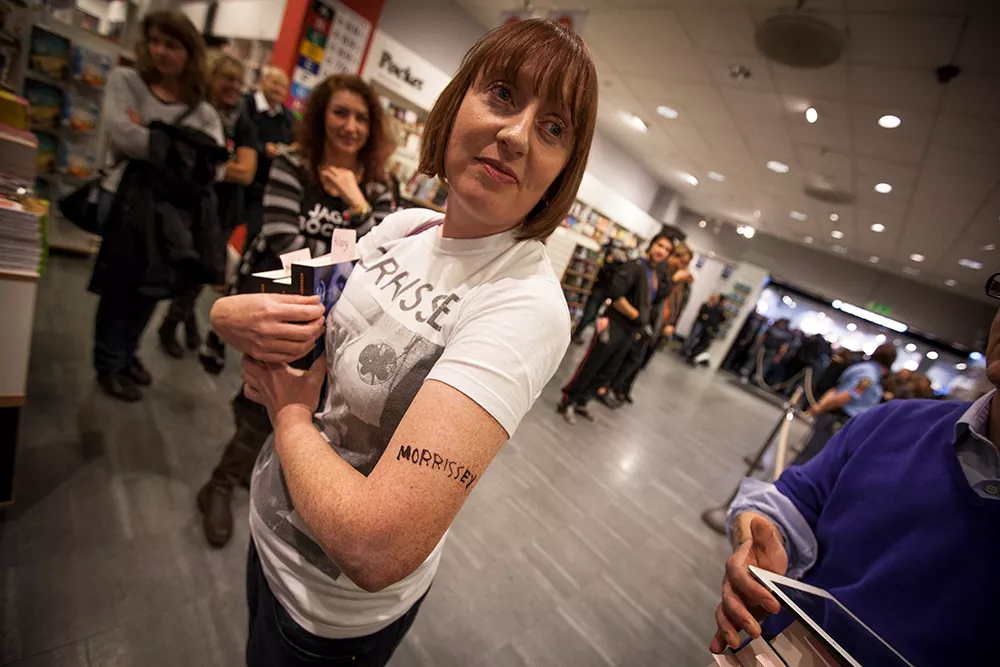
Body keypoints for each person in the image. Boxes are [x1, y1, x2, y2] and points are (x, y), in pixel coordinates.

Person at [209, 19, 597, 665]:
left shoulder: (525, 303)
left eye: (554, 127)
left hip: (324, 614)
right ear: (456, 104)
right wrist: (231, 313)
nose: (516, 134)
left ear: (564, 170)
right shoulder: (405, 226)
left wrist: (288, 412)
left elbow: (376, 547)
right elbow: (303, 295)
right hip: (269, 524)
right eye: (503, 94)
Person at [709, 282, 1000, 667]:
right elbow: (791, 500)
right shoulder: (892, 423)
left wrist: (821, 407)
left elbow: (846, 395)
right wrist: (758, 543)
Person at [195, 73, 398, 549]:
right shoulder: (292, 166)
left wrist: (356, 201)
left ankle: (271, 487)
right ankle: (220, 485)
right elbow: (286, 243)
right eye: (340, 113)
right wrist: (354, 247)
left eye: (361, 117)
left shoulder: (378, 185)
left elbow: (385, 259)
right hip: (286, 314)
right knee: (261, 405)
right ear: (321, 115)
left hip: (344, 329)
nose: (350, 126)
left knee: (312, 420)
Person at [89, 11, 224, 401]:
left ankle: (127, 353)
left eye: (172, 44)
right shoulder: (127, 81)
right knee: (120, 285)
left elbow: (215, 166)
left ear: (190, 52)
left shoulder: (203, 110)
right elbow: (124, 136)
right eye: (156, 42)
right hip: (127, 205)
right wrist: (185, 149)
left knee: (153, 286)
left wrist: (153, 134)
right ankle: (108, 362)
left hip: (170, 215)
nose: (162, 52)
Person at [157, 54, 259, 358]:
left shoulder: (242, 123)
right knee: (186, 268)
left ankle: (170, 323)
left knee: (203, 271)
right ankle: (188, 322)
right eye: (227, 79)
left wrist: (203, 166)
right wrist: (218, 166)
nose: (233, 87)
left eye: (239, 82)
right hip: (187, 204)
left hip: (223, 210)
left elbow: (246, 172)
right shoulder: (194, 111)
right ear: (211, 78)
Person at [560, 233, 674, 421]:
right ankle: (569, 400)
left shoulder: (655, 274)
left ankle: (583, 401)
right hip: (614, 324)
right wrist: (635, 315)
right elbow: (615, 295)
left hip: (629, 331)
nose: (662, 251)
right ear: (652, 244)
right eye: (659, 245)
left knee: (608, 370)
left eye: (667, 249)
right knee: (592, 364)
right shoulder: (635, 266)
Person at [792, 343, 897, 466]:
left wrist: (821, 405)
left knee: (814, 454)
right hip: (839, 420)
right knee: (815, 458)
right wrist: (821, 407)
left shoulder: (865, 369)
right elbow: (846, 395)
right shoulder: (869, 375)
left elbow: (836, 390)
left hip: (837, 418)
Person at [244, 66, 295, 242]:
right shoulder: (245, 104)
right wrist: (263, 149)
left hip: (265, 185)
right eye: (275, 83)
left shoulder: (288, 118)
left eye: (283, 86)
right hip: (240, 179)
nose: (278, 89)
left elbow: (294, 142)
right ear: (263, 82)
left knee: (255, 234)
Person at [572, 243, 620, 343]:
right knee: (589, 315)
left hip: (600, 295)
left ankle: (577, 332)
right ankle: (576, 333)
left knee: (591, 315)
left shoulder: (613, 267)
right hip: (596, 294)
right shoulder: (606, 266)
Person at [743, 318, 793, 386]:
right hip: (764, 347)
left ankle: (757, 378)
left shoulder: (786, 334)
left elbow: (784, 346)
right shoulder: (772, 328)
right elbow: (763, 336)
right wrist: (757, 344)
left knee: (765, 364)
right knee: (755, 360)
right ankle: (746, 372)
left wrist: (779, 356)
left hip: (773, 350)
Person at [684, 294, 726, 365]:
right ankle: (691, 355)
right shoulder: (719, 309)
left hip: (706, 327)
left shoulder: (714, 307)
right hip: (709, 328)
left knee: (700, 342)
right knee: (704, 343)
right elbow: (722, 319)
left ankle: (691, 355)